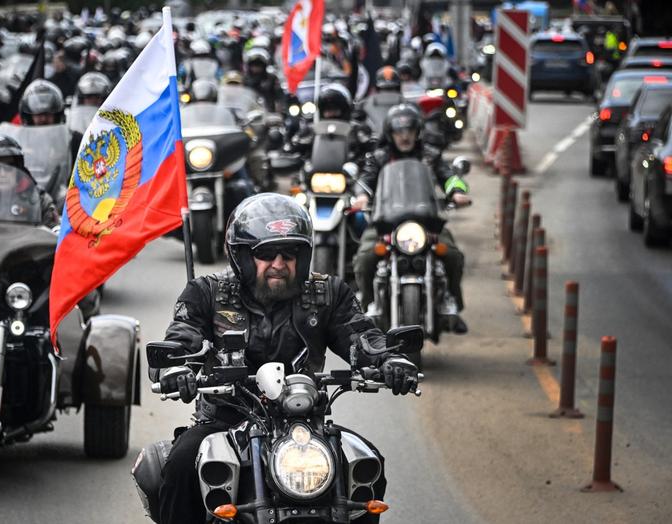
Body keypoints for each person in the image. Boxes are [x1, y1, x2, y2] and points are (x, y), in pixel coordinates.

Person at [156, 193, 419, 524]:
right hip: (224, 419)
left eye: (290, 253)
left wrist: (388, 361)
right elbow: (183, 336)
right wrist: (178, 365)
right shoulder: (206, 292)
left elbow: (361, 336)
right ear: (242, 256)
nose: (279, 263)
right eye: (265, 253)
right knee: (181, 465)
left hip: (306, 424)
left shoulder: (328, 293)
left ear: (304, 256)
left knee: (367, 464)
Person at [352, 104, 470, 333]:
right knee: (365, 258)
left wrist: (457, 191)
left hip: (426, 220)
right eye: (399, 132)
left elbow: (448, 176)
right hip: (386, 221)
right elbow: (365, 181)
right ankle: (367, 307)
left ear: (418, 132)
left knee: (453, 255)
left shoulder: (430, 155)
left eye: (409, 131)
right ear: (390, 133)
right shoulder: (379, 158)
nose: (404, 137)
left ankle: (452, 303)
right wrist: (361, 197)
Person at [0, 133, 59, 227]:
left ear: (18, 169)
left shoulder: (39, 200)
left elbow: (56, 237)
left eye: (9, 166)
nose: (2, 174)